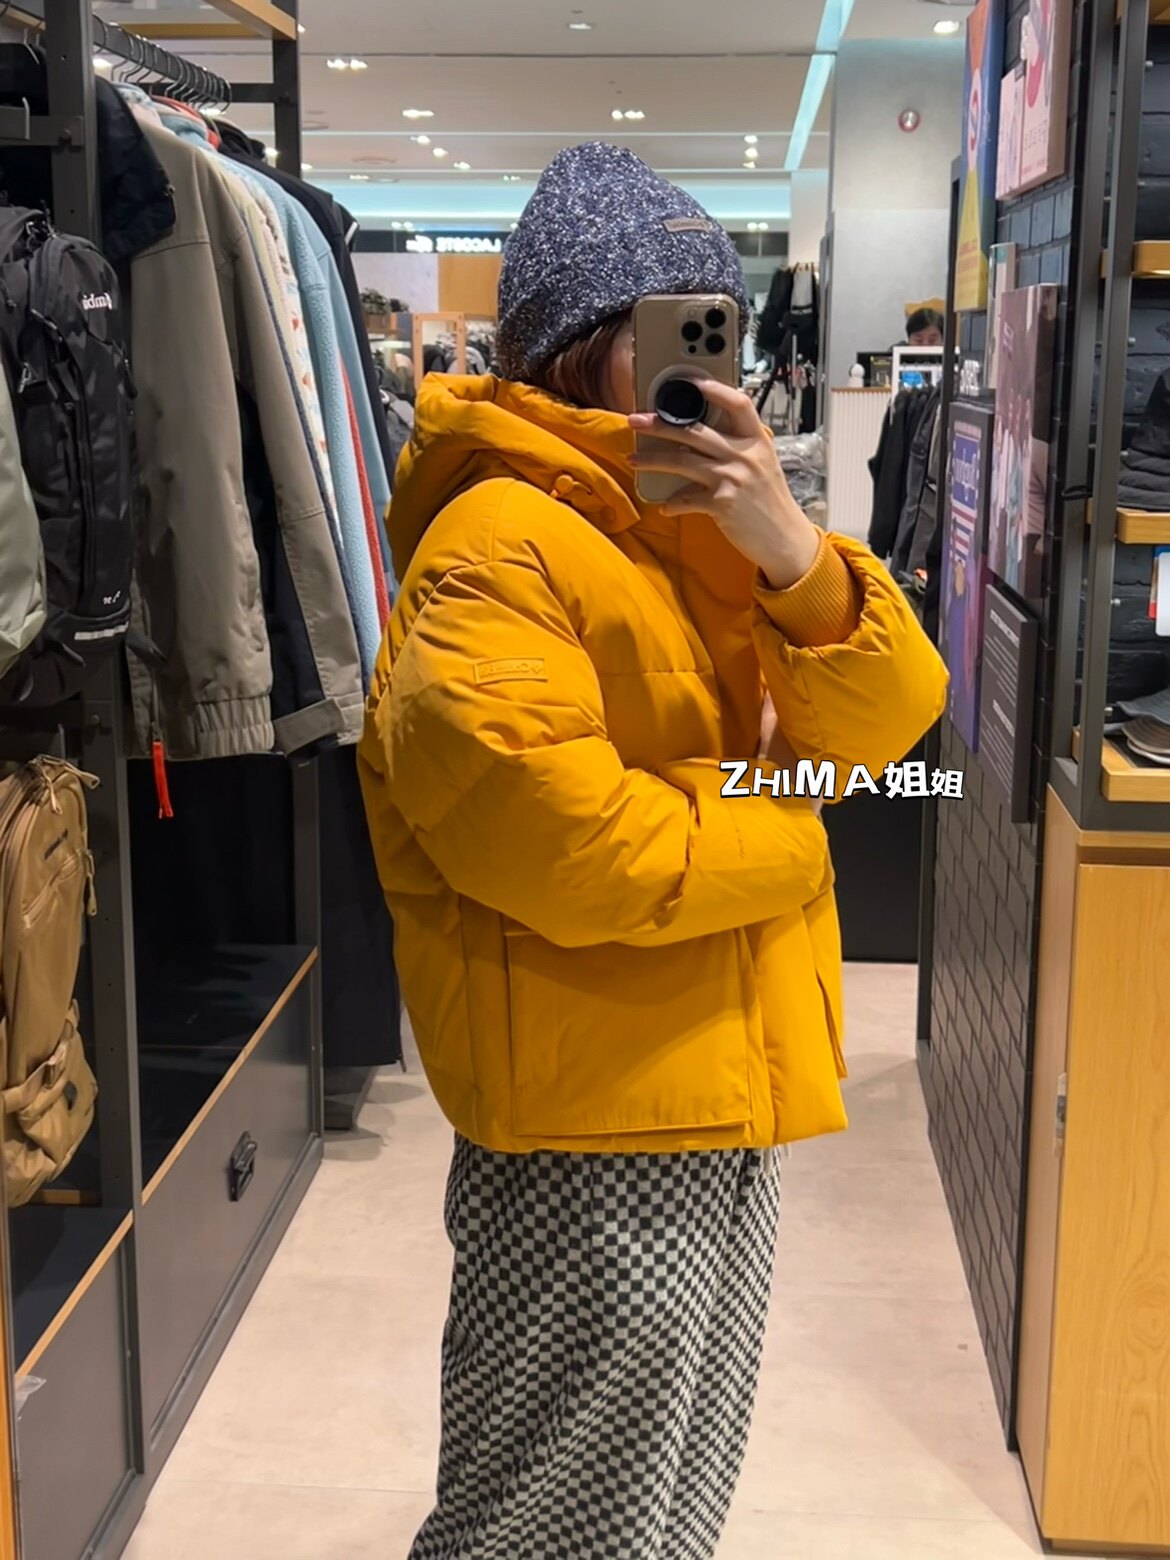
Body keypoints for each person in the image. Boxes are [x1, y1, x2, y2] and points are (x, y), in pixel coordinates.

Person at [358, 142, 948, 1560]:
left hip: (712, 1086)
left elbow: (887, 723)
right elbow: (571, 846)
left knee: (662, 1507)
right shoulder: (497, 542)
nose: (705, 361)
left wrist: (791, 548)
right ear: (579, 343)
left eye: (717, 324)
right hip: (590, 1124)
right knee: (545, 1523)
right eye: (673, 326)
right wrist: (790, 828)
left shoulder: (701, 529)